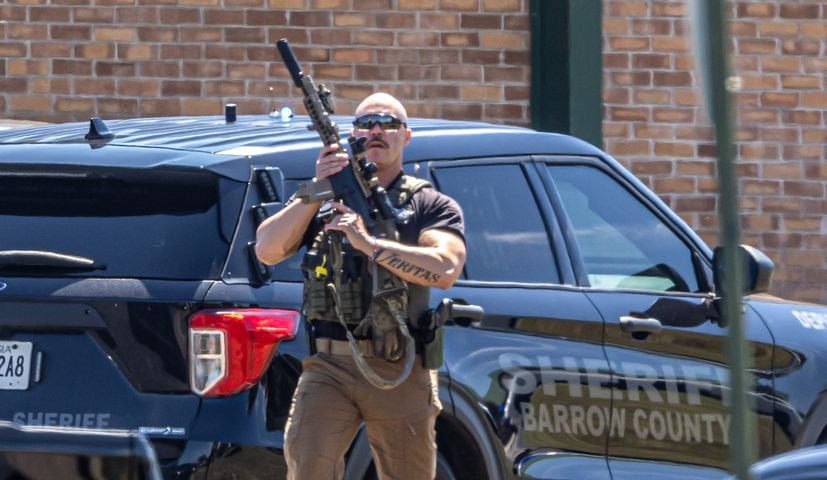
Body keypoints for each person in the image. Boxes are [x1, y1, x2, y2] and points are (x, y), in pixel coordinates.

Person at [255, 92, 466, 479]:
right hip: (329, 364)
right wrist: (317, 187)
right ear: (352, 135)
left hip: (398, 364)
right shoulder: (324, 199)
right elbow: (267, 250)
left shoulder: (428, 204)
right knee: (308, 465)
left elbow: (446, 268)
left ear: (406, 136)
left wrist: (370, 245)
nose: (376, 131)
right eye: (367, 123)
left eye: (388, 124)